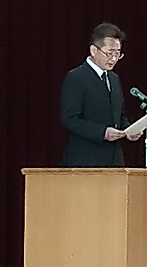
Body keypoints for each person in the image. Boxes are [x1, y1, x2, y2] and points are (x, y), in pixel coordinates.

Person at [60, 23, 142, 166]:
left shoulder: (114, 79)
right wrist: (103, 133)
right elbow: (70, 119)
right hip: (86, 159)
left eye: (118, 54)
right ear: (93, 50)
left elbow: (119, 115)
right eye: (109, 53)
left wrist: (128, 130)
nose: (114, 59)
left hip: (114, 160)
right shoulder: (77, 77)